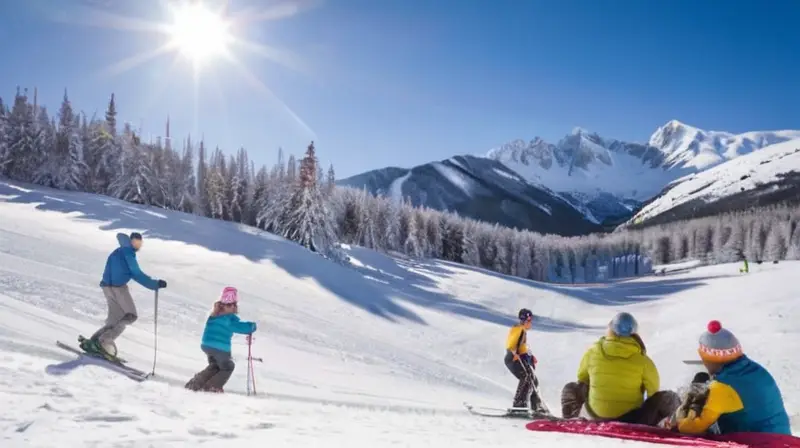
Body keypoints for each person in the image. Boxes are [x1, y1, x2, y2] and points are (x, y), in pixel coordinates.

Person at [672, 320, 790, 435]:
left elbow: (690, 428)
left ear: (710, 359)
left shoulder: (723, 387)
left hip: (757, 443)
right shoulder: (757, 370)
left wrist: (688, 406)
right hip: (783, 440)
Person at [561, 312, 680, 425]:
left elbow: (582, 378)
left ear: (610, 329)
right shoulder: (643, 361)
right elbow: (653, 391)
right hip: (632, 419)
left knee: (571, 388)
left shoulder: (592, 352)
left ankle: (571, 421)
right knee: (669, 397)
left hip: (595, 414)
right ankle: (677, 425)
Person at [80, 232, 166, 360]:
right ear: (130, 241)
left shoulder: (118, 251)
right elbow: (136, 273)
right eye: (136, 242)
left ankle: (94, 341)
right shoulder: (128, 253)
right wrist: (154, 284)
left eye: (140, 243)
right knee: (131, 315)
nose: (138, 245)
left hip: (107, 287)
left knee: (114, 320)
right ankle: (104, 340)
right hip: (118, 288)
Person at [185, 286, 257, 393]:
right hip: (220, 347)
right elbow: (242, 327)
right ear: (223, 305)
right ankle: (212, 386)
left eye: (234, 304)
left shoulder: (214, 315)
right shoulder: (228, 319)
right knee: (228, 366)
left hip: (207, 345)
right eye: (229, 304)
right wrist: (252, 326)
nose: (232, 307)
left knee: (215, 366)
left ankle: (195, 383)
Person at [505, 308, 545, 414]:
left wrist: (530, 357)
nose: (531, 323)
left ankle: (536, 407)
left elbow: (522, 347)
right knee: (527, 378)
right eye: (530, 320)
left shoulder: (522, 331)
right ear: (525, 320)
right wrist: (514, 353)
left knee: (533, 380)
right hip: (513, 358)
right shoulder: (518, 329)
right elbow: (510, 344)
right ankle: (519, 405)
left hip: (519, 358)